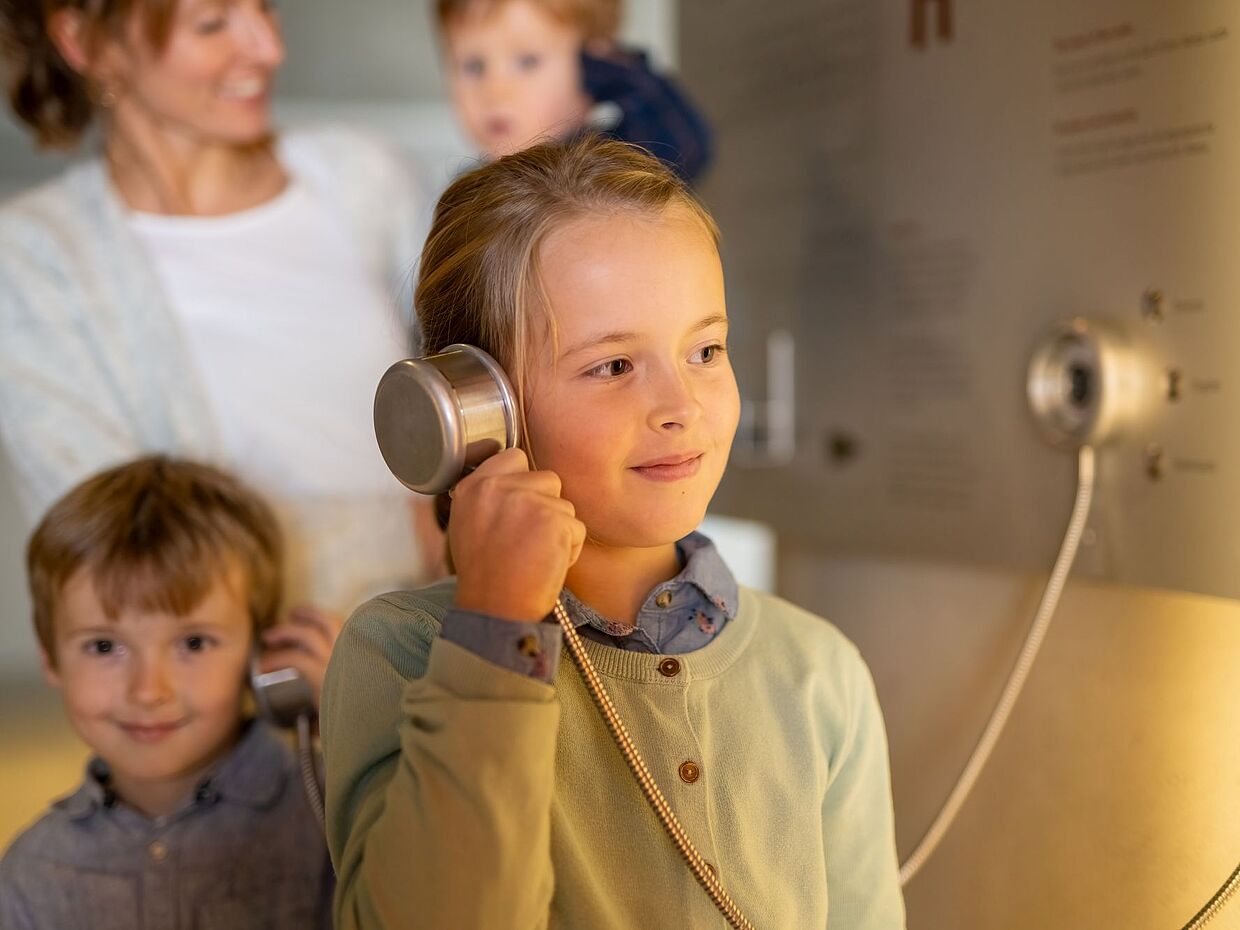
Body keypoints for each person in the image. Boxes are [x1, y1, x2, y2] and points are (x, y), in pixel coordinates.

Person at [321, 137, 906, 928]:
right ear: (473, 409)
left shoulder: (819, 675)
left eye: (705, 350)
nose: (680, 405)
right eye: (613, 367)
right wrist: (495, 628)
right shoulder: (402, 654)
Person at [0, 0, 444, 619]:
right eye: (212, 23)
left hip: (455, 656)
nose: (268, 49)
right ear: (86, 42)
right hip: (255, 704)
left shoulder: (367, 177)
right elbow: (122, 558)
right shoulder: (34, 262)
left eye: (264, 8)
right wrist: (415, 541)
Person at [0, 455, 338, 929]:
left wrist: (360, 718)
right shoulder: (30, 875)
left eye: (193, 643)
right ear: (50, 660)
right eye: (104, 646)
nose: (148, 691)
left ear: (261, 650)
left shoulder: (336, 807)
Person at [436, 0, 712, 182]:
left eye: (527, 61)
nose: (494, 91)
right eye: (473, 66)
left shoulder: (606, 166)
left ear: (590, 66)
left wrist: (621, 75)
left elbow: (685, 148)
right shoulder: (468, 192)